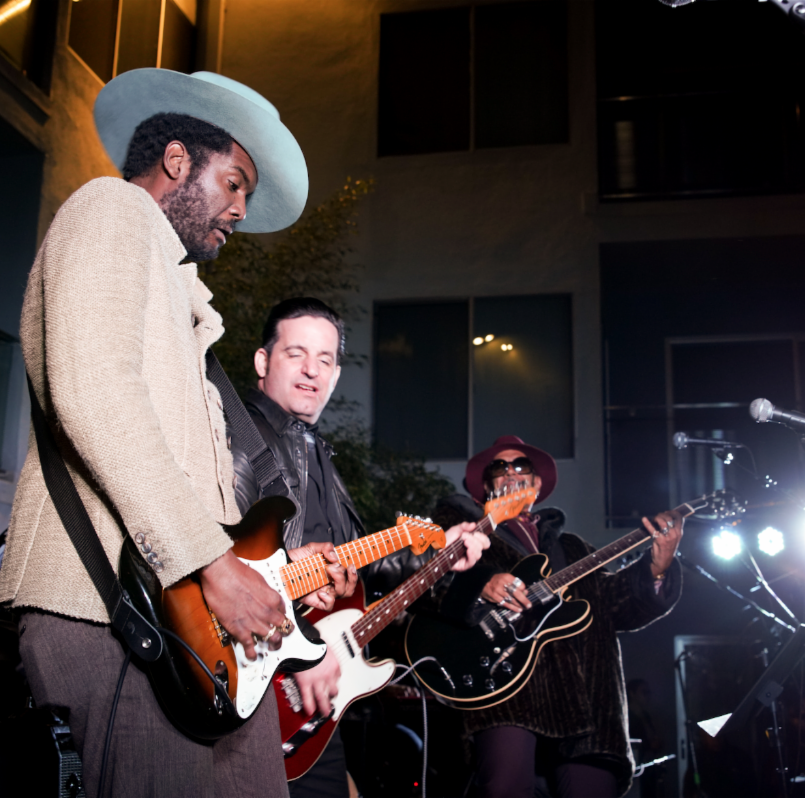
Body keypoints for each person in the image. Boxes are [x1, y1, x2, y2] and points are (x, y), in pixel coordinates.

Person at [0, 69, 345, 797]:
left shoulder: (177, 287)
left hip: (186, 629)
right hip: (113, 615)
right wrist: (214, 567)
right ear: (179, 160)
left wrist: (260, 568)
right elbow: (96, 393)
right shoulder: (113, 210)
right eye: (235, 182)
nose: (242, 208)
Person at [233, 297, 487, 798]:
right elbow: (215, 552)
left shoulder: (315, 451)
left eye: (325, 360)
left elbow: (354, 563)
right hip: (260, 669)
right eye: (296, 354)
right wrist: (297, 647)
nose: (312, 371)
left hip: (313, 681)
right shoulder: (238, 434)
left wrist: (439, 550)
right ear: (263, 362)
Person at [429, 436, 685, 798]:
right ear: (487, 486)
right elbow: (429, 582)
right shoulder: (463, 527)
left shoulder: (575, 549)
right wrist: (482, 582)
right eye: (499, 468)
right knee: (505, 788)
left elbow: (616, 606)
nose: (511, 474)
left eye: (522, 468)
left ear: (536, 486)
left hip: (587, 702)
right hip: (506, 689)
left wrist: (658, 567)